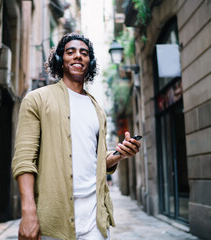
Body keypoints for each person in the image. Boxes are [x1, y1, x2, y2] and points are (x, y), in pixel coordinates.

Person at [12, 33, 141, 240]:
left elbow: (95, 161)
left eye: (84, 53)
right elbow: (24, 160)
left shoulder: (97, 109)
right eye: (70, 52)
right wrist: (28, 212)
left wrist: (119, 154)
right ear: (59, 61)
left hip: (94, 218)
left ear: (90, 63)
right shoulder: (37, 99)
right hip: (53, 219)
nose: (78, 56)